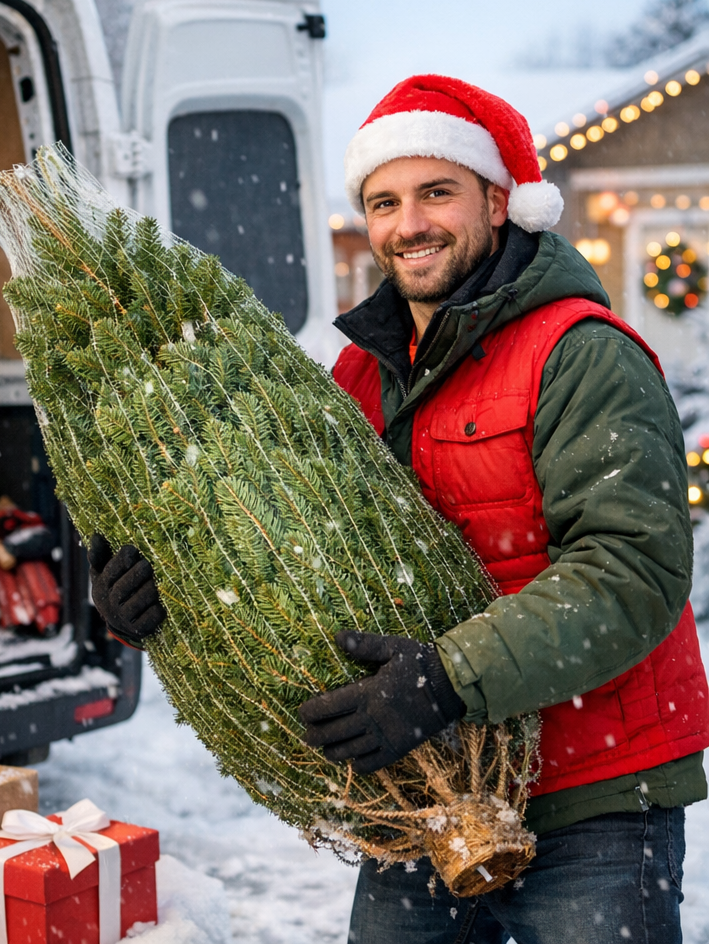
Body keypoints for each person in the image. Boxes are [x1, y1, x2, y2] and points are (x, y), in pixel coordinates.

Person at [88, 75, 709, 944]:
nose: (407, 223)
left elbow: (632, 574)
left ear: (500, 201)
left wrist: (451, 680)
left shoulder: (579, 355)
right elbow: (278, 555)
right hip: (418, 794)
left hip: (594, 797)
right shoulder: (358, 379)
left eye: (436, 192)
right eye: (383, 201)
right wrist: (156, 607)